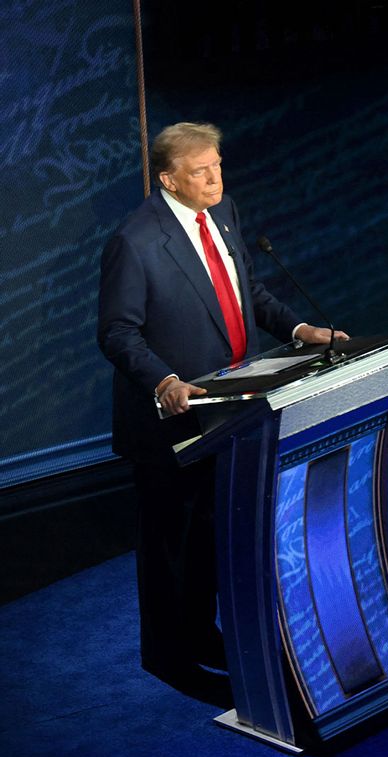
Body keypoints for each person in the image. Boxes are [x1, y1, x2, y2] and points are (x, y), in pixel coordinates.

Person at [97, 122, 345, 697]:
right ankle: (168, 657)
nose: (215, 178)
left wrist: (300, 327)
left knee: (211, 534)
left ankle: (201, 633)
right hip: (172, 422)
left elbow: (245, 292)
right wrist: (164, 379)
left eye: (217, 165)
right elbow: (117, 331)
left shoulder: (224, 211)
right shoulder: (134, 242)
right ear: (168, 179)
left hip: (235, 410)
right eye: (200, 170)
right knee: (170, 544)